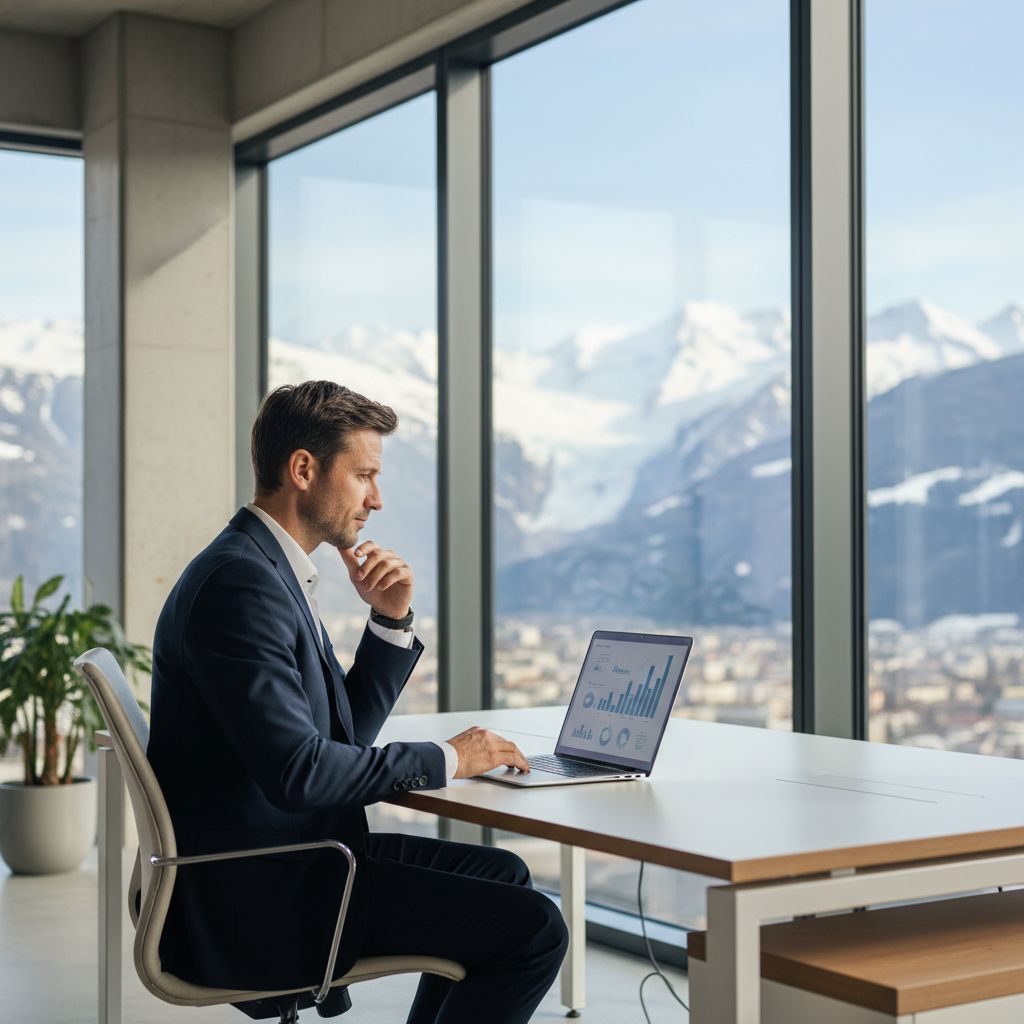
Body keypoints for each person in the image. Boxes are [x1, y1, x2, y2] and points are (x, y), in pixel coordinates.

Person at [147, 380, 568, 1023]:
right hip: (264, 891)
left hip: (290, 856)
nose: (377, 498)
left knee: (505, 875)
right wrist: (449, 758)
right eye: (365, 475)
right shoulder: (242, 585)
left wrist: (389, 624)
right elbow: (301, 773)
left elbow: (337, 744)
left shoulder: (264, 569)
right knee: (533, 930)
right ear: (304, 469)